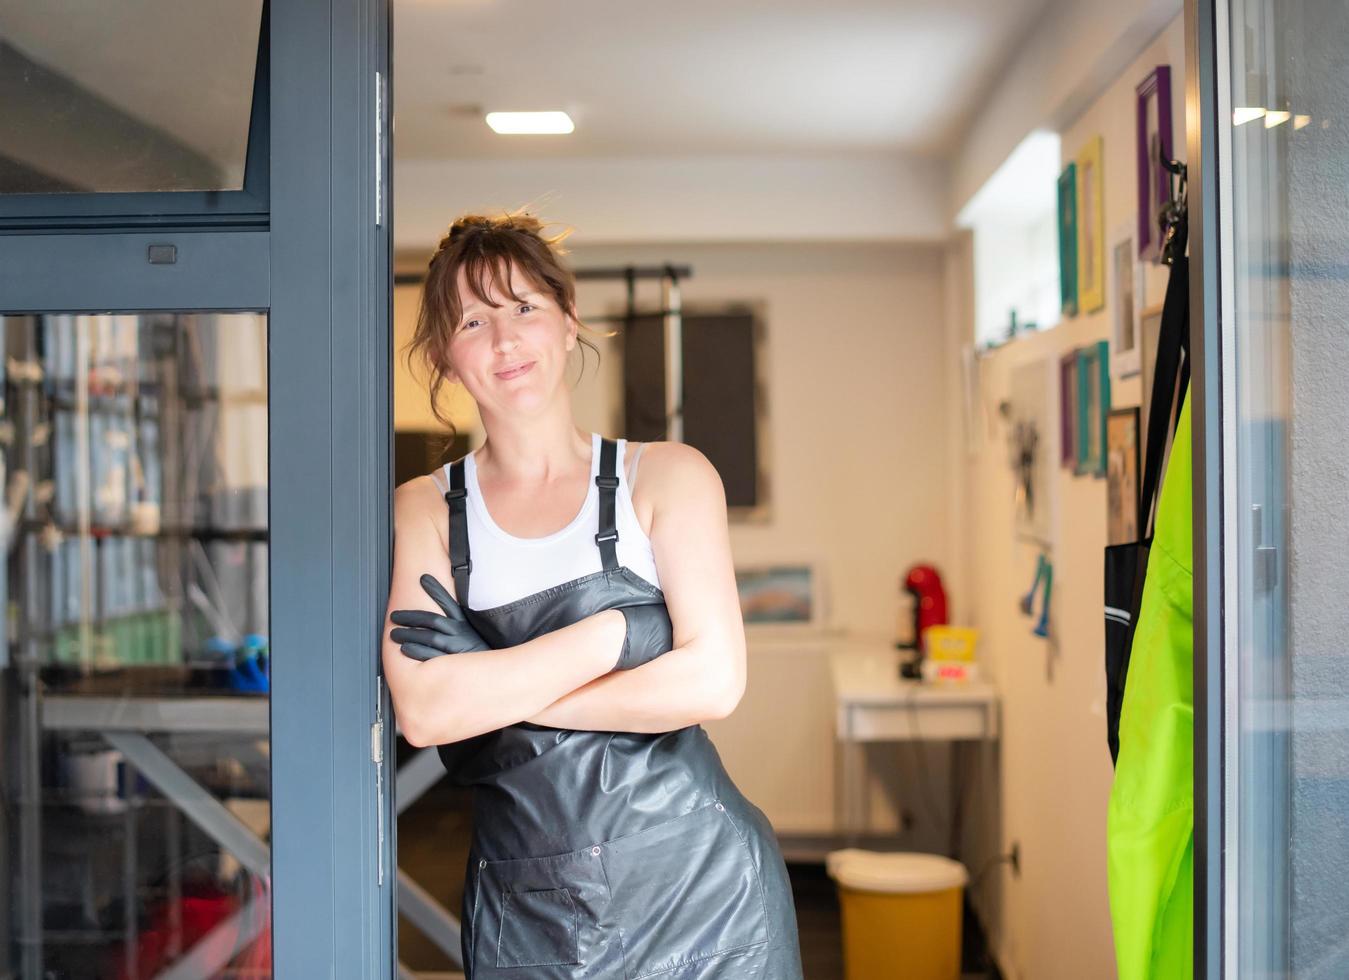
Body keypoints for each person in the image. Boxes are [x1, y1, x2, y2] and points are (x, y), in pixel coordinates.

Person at [381, 209, 804, 979]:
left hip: (703, 887)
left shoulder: (668, 475)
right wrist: (615, 635)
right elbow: (426, 712)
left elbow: (713, 681)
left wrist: (500, 688)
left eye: (524, 308)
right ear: (444, 356)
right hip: (528, 907)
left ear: (568, 321)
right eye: (473, 320)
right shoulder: (424, 509)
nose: (505, 340)